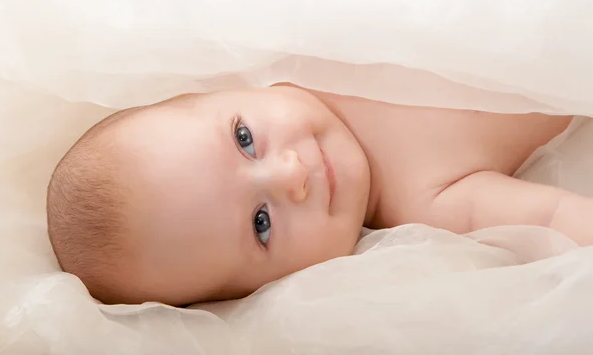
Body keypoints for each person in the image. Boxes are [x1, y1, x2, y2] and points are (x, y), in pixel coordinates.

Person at [46, 83, 592, 306]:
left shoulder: (310, 49)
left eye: (244, 139)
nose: (290, 174)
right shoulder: (428, 201)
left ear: (224, 89)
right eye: (261, 223)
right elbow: (554, 216)